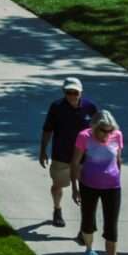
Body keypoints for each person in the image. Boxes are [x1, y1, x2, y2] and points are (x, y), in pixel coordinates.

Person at [73, 109, 128, 255]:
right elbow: (74, 163)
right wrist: (75, 187)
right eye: (103, 130)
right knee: (88, 223)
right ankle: (89, 250)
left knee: (112, 226)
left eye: (110, 130)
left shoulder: (117, 135)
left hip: (112, 187)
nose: (107, 134)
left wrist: (118, 176)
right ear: (95, 127)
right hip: (88, 185)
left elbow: (118, 159)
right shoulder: (84, 136)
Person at [36, 78, 98, 228]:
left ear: (81, 92)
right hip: (61, 155)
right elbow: (48, 129)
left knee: (86, 190)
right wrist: (43, 150)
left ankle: (84, 226)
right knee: (58, 185)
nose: (72, 95)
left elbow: (99, 129)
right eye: (68, 92)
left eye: (75, 92)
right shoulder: (56, 107)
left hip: (84, 157)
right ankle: (57, 210)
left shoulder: (90, 107)